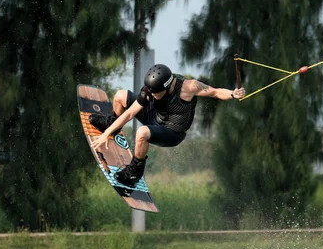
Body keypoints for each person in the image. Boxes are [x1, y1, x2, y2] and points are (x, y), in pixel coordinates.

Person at [90, 64, 246, 186]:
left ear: (166, 86)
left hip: (172, 132)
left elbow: (215, 92)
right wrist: (108, 132)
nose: (153, 95)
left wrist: (233, 94)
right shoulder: (151, 90)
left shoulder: (189, 87)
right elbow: (130, 113)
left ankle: (134, 173)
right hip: (156, 117)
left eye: (156, 93)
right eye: (151, 92)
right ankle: (111, 124)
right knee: (120, 96)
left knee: (142, 133)